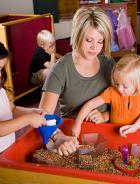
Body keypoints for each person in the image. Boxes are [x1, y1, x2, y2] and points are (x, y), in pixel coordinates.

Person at [39, 7, 115, 154]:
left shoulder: (108, 63)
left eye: (100, 41)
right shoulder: (59, 69)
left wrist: (106, 116)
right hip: (73, 139)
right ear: (78, 35)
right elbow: (43, 115)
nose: (94, 47)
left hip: (107, 135)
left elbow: (122, 101)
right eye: (89, 40)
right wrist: (59, 137)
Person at [0, 32, 47, 184]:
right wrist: (28, 119)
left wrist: (32, 112)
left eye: (1, 69)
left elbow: (13, 110)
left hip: (7, 152)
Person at [72, 54, 140, 137]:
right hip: (112, 133)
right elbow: (90, 105)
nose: (119, 88)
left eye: (125, 86)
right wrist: (77, 124)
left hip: (137, 135)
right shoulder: (112, 92)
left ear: (139, 83)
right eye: (117, 83)